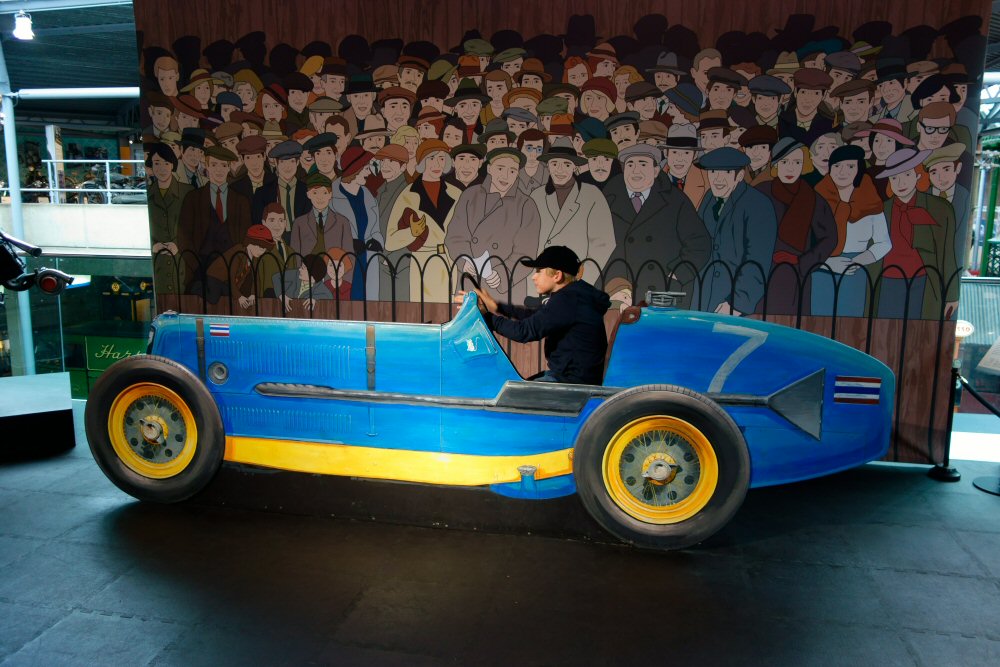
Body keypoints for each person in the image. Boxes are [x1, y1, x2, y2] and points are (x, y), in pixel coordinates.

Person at [456, 245, 611, 385]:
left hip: (571, 383)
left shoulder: (568, 300)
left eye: (539, 271)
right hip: (571, 378)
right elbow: (534, 315)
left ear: (557, 276)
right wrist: (497, 307)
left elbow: (523, 331)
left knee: (507, 398)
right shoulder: (576, 297)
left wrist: (485, 317)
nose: (533, 277)